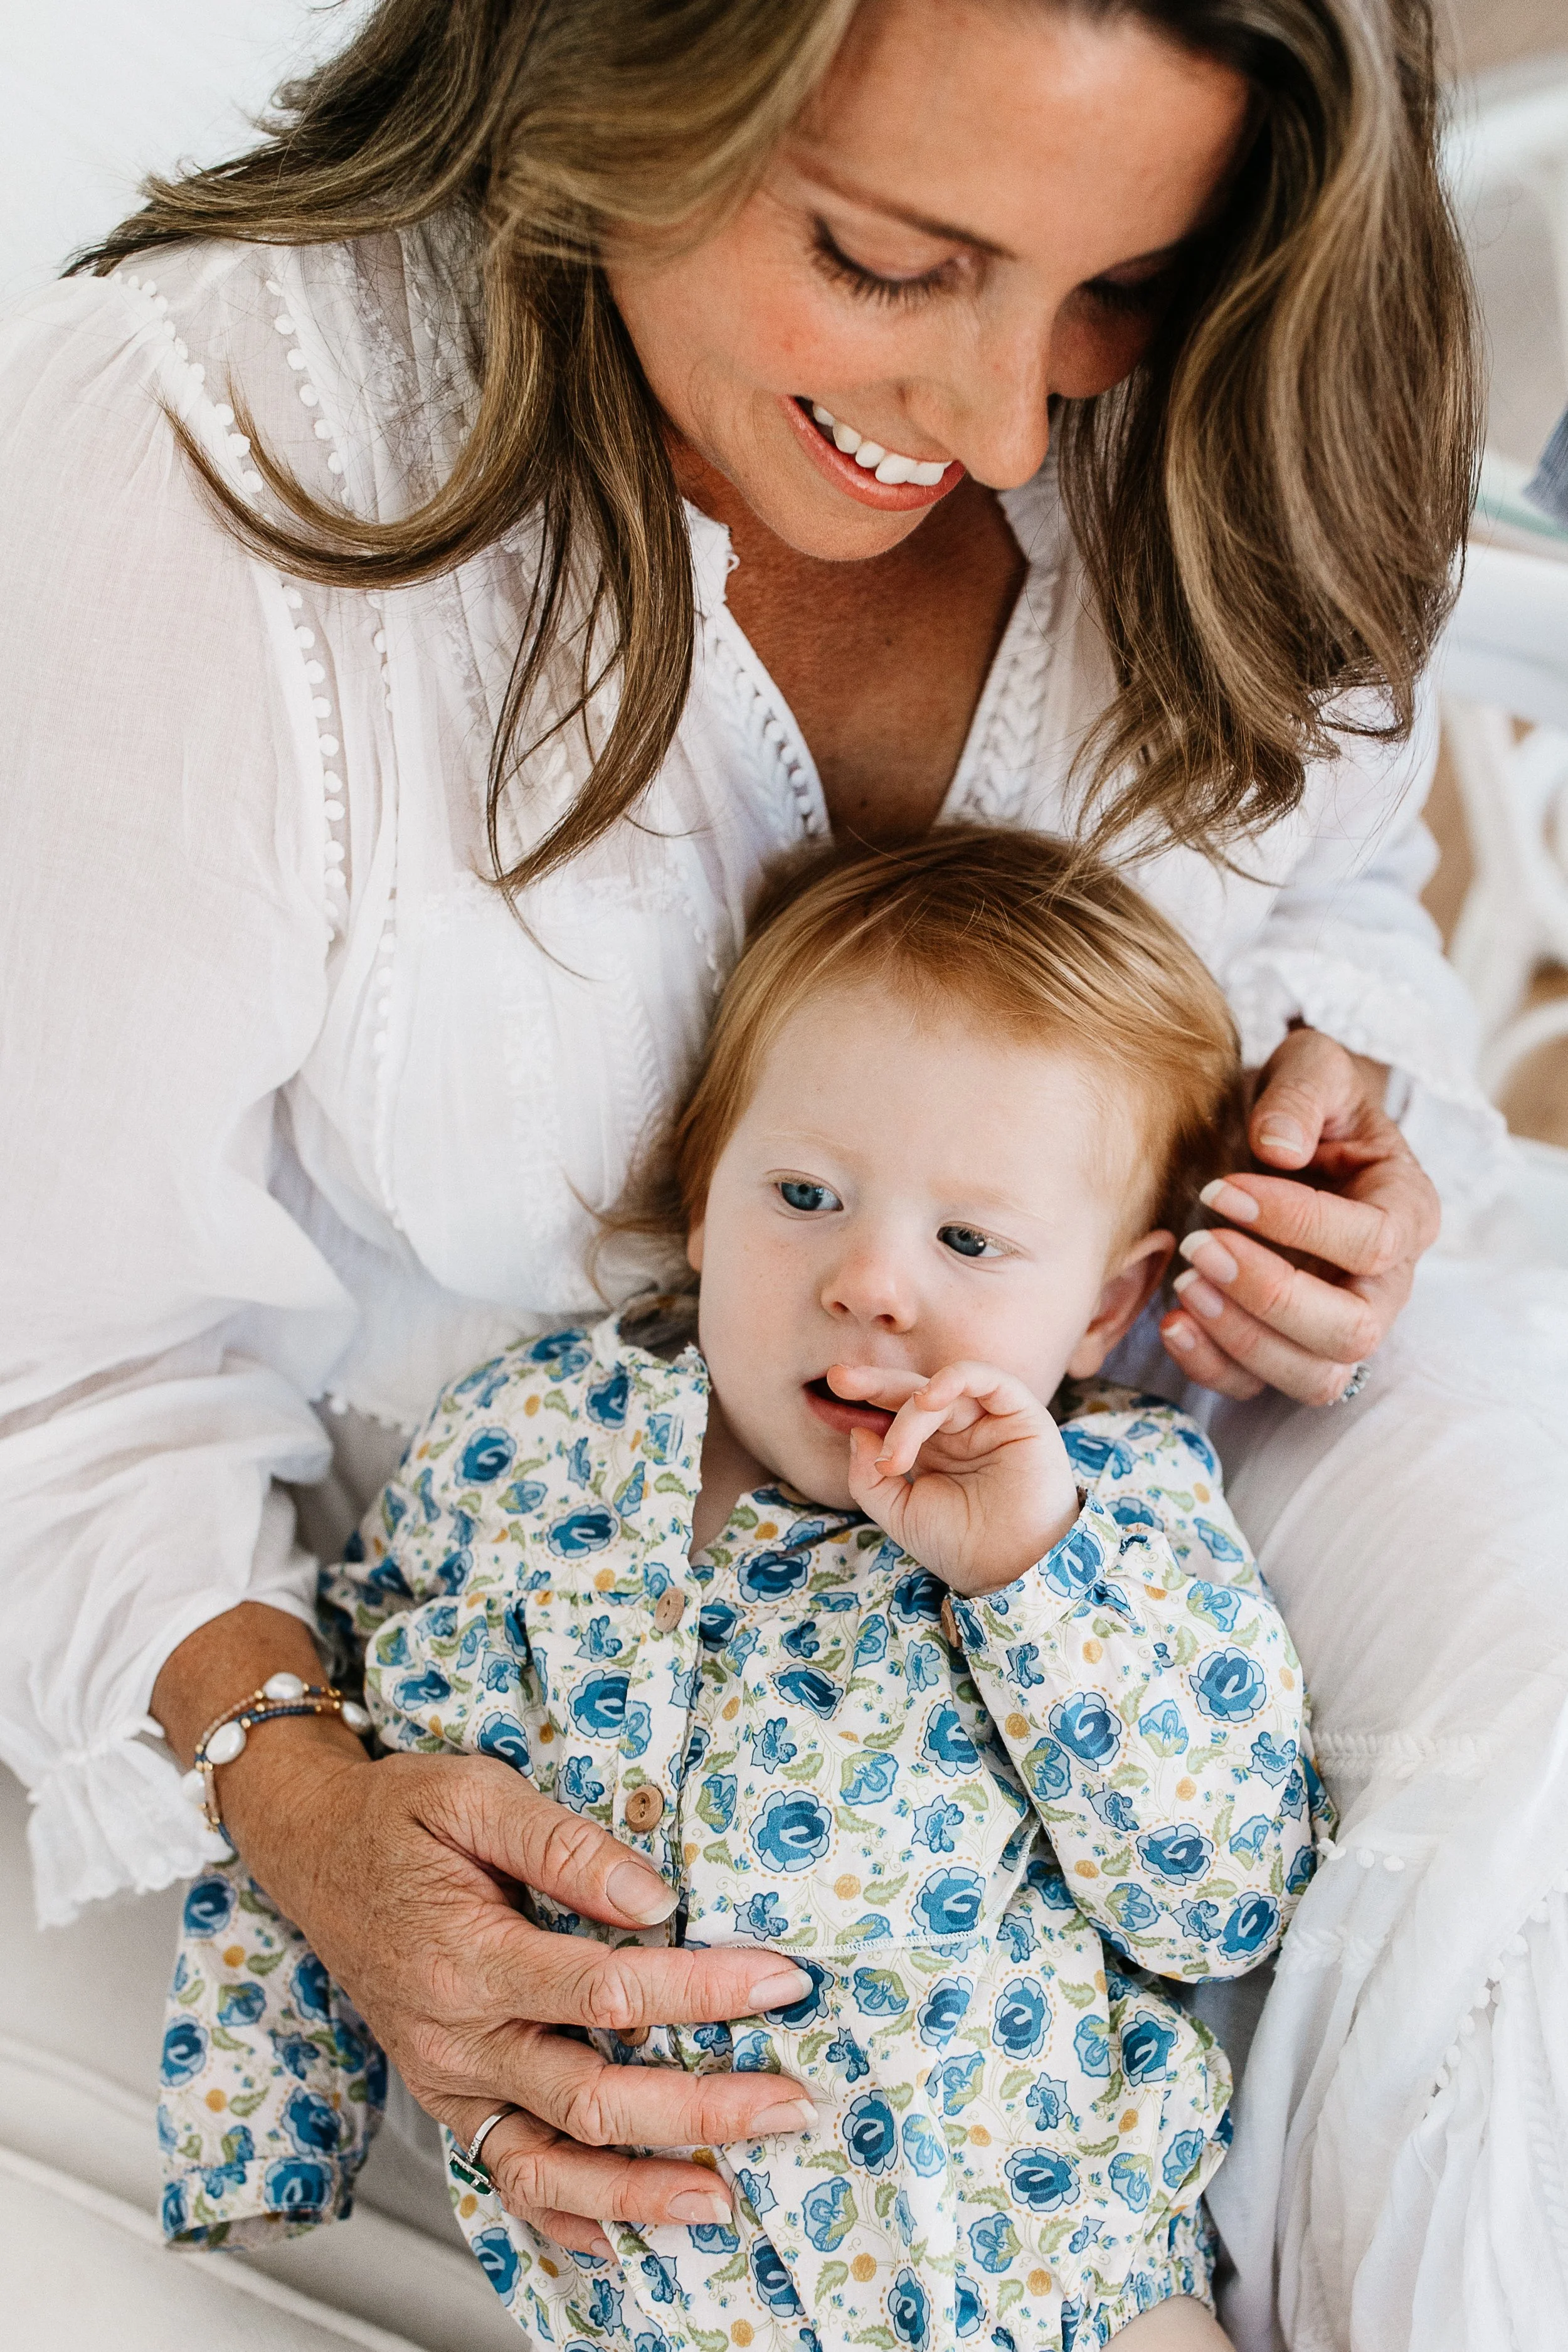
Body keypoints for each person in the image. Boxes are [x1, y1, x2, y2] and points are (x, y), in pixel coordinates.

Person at [1, 2, 1563, 2347]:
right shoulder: (212, 465)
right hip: (610, 1715)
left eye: (1114, 287)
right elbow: (64, 1357)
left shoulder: (1205, 410)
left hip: (1166, 1490)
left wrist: (1340, 1138)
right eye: (891, 260)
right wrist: (302, 1805)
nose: (1011, 421)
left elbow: (1320, 901)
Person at [161, 832, 1332, 2351]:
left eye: (968, 1239)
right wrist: (267, 2119)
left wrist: (1029, 1581)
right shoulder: (522, 1449)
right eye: (803, 1193)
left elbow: (1221, 1897)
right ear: (702, 1202)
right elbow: (349, 1772)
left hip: (1052, 2293)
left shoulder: (1111, 1511)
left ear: (1106, 1304)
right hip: (651, 2305)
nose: (871, 1282)